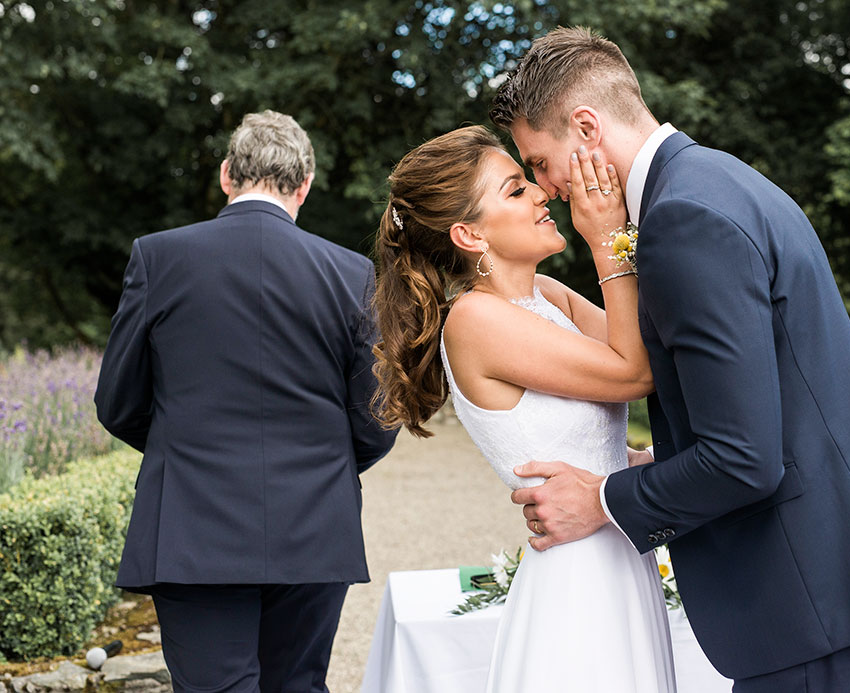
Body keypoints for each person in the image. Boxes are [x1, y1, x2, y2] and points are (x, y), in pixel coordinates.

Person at [492, 27, 850, 692]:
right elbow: (765, 399)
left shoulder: (682, 221)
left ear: (585, 126)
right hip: (833, 576)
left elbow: (744, 457)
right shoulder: (713, 178)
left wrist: (601, 499)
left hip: (809, 592)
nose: (545, 188)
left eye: (540, 162)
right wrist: (659, 459)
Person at [94, 110, 397, 692]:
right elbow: (377, 417)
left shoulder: (157, 258)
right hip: (313, 522)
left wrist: (180, 447)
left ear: (228, 174)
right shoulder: (351, 272)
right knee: (297, 686)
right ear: (304, 186)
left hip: (190, 524)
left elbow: (117, 401)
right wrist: (321, 463)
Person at [371, 125, 676, 692]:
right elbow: (634, 373)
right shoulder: (475, 321)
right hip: (578, 577)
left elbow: (653, 352)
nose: (540, 194)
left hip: (618, 553)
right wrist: (608, 238)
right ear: (469, 234)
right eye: (515, 190)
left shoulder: (549, 296)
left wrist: (652, 463)